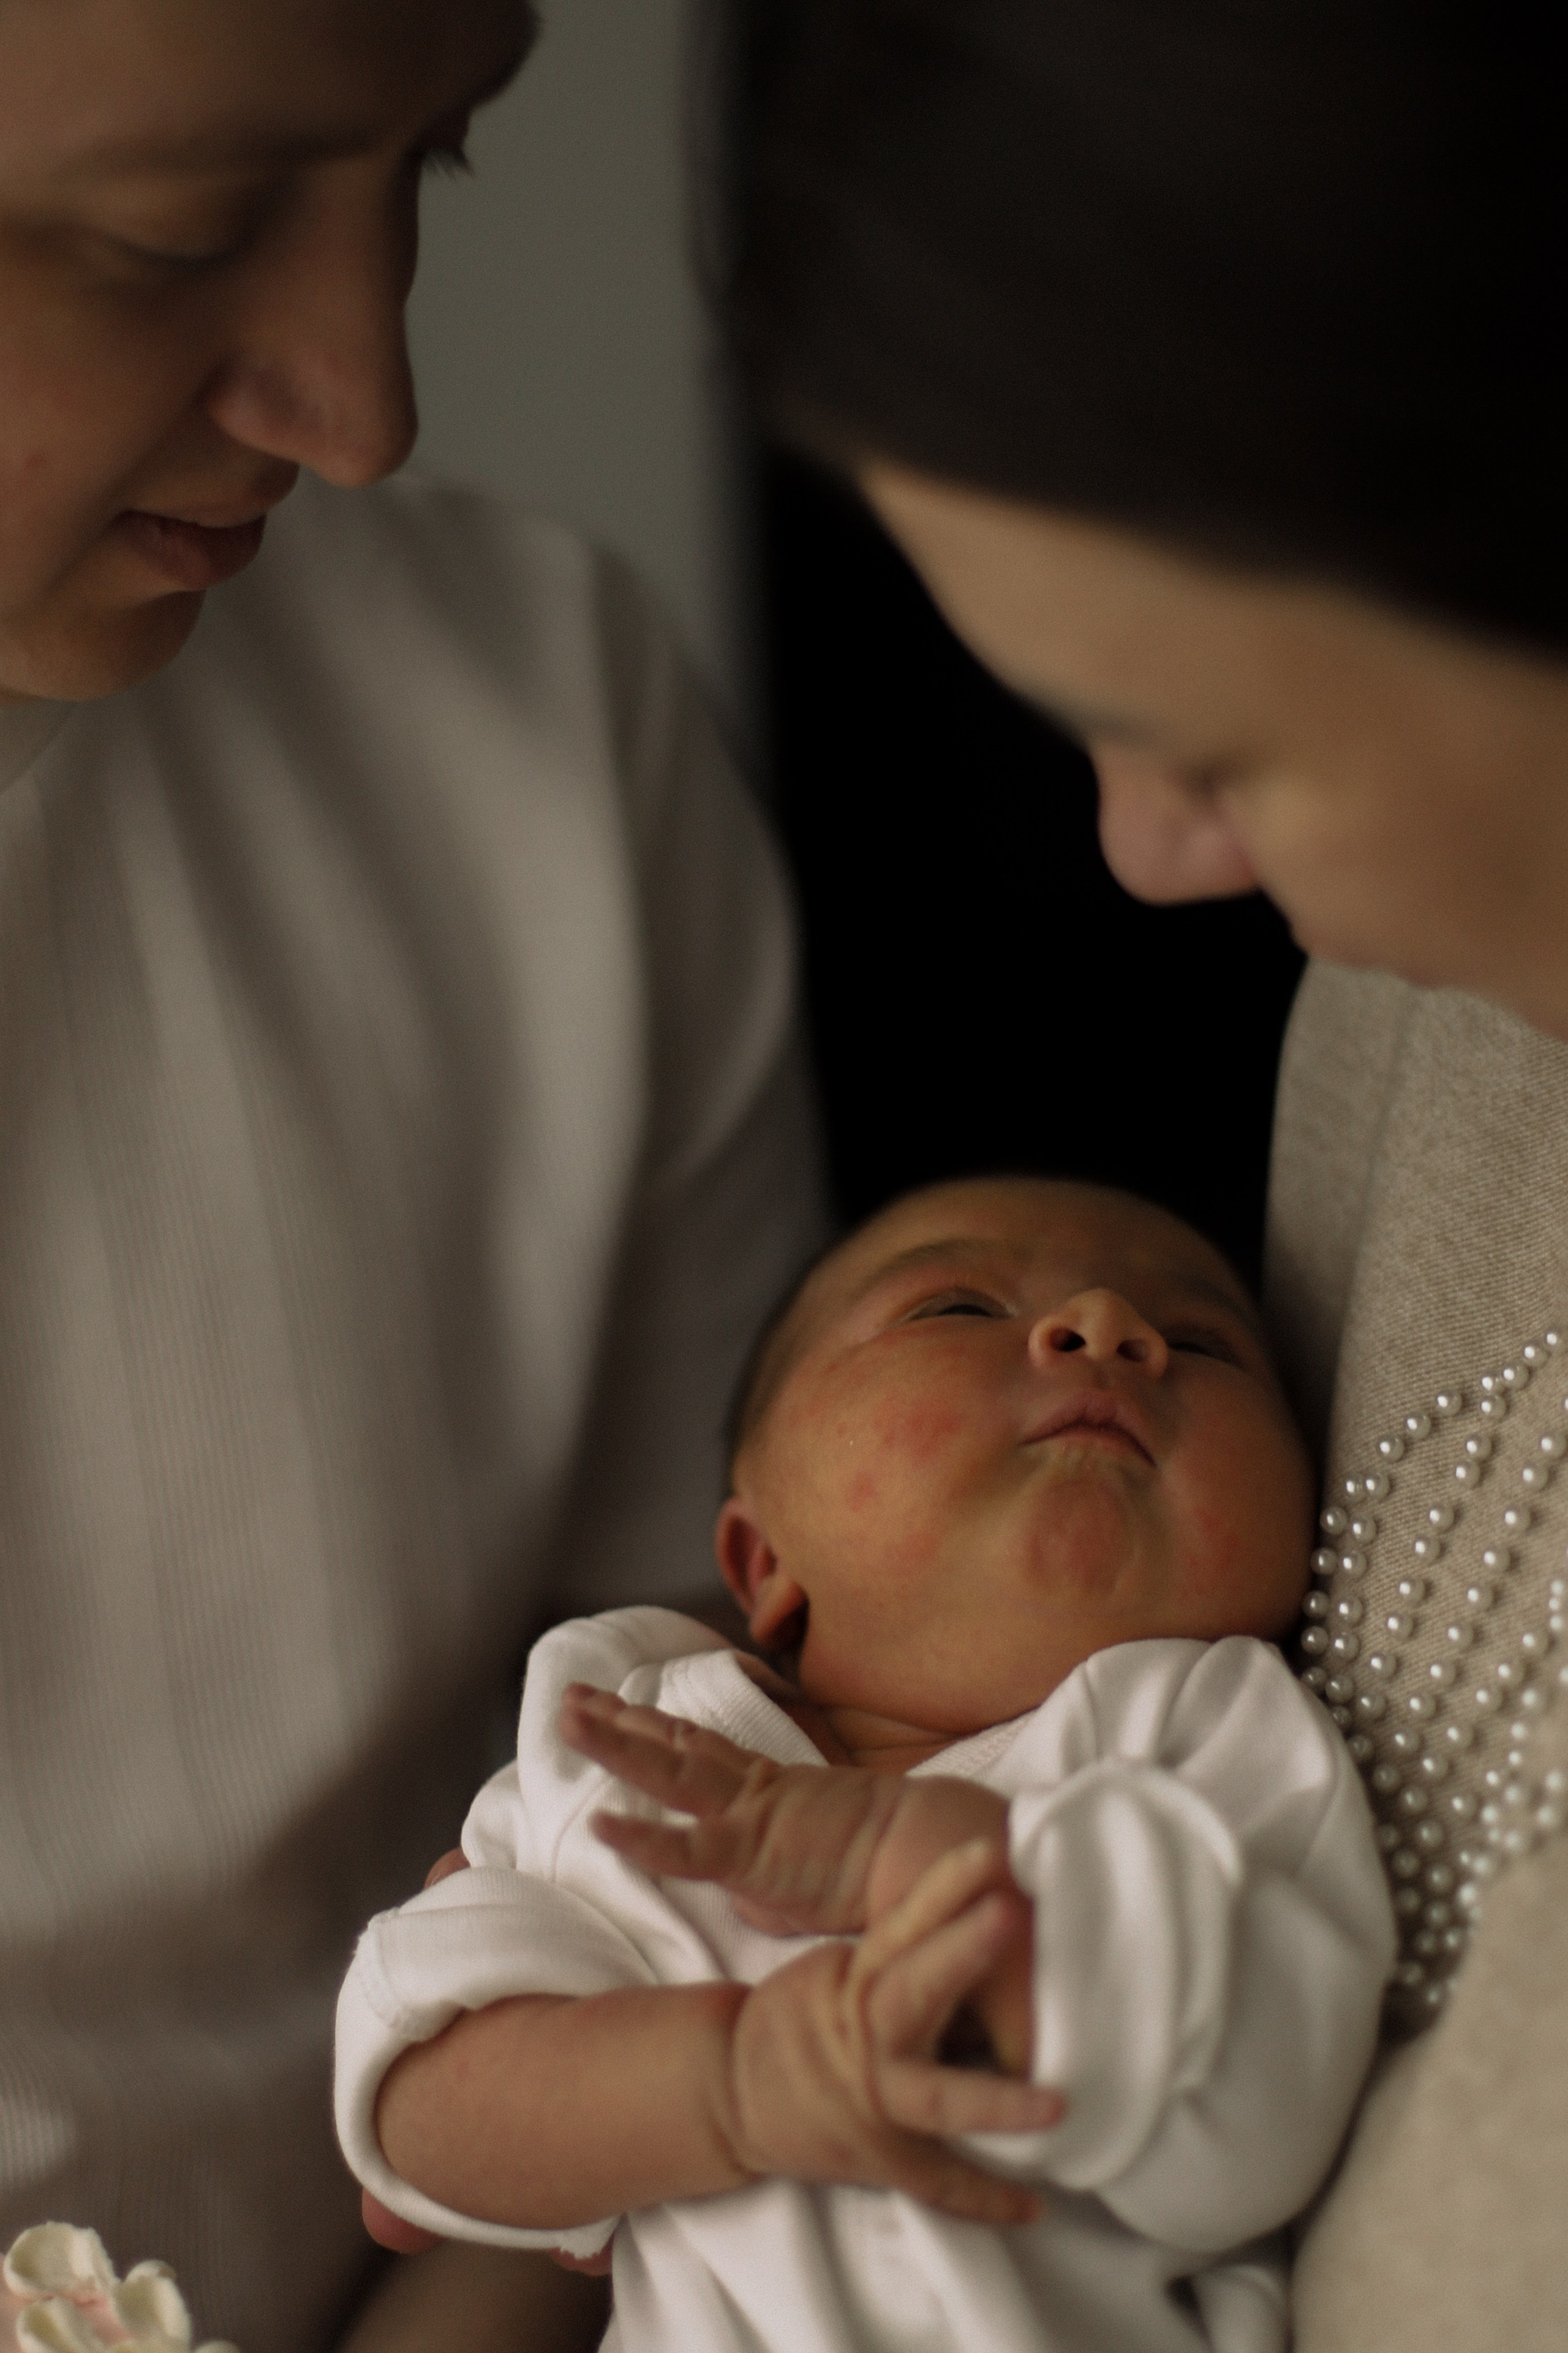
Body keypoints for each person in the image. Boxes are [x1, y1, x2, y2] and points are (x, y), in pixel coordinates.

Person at [720, 6, 1568, 2347]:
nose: (1145, 861)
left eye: (1202, 742)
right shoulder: (1409, 1026)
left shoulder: (1198, 1754)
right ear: (750, 1565)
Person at [0, 4, 823, 2350]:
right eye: (176, 231)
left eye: (437, 168)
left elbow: (663, 1887)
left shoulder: (541, 751)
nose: (365, 408)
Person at [334, 1176, 1393, 2353]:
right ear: (763, 1560)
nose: (1107, 1323)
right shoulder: (634, 1743)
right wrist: (733, 2085)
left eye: (1202, 1344)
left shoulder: (1214, 1730)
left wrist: (917, 1855)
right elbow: (418, 2084)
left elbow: (1271, 2107)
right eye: (954, 1308)